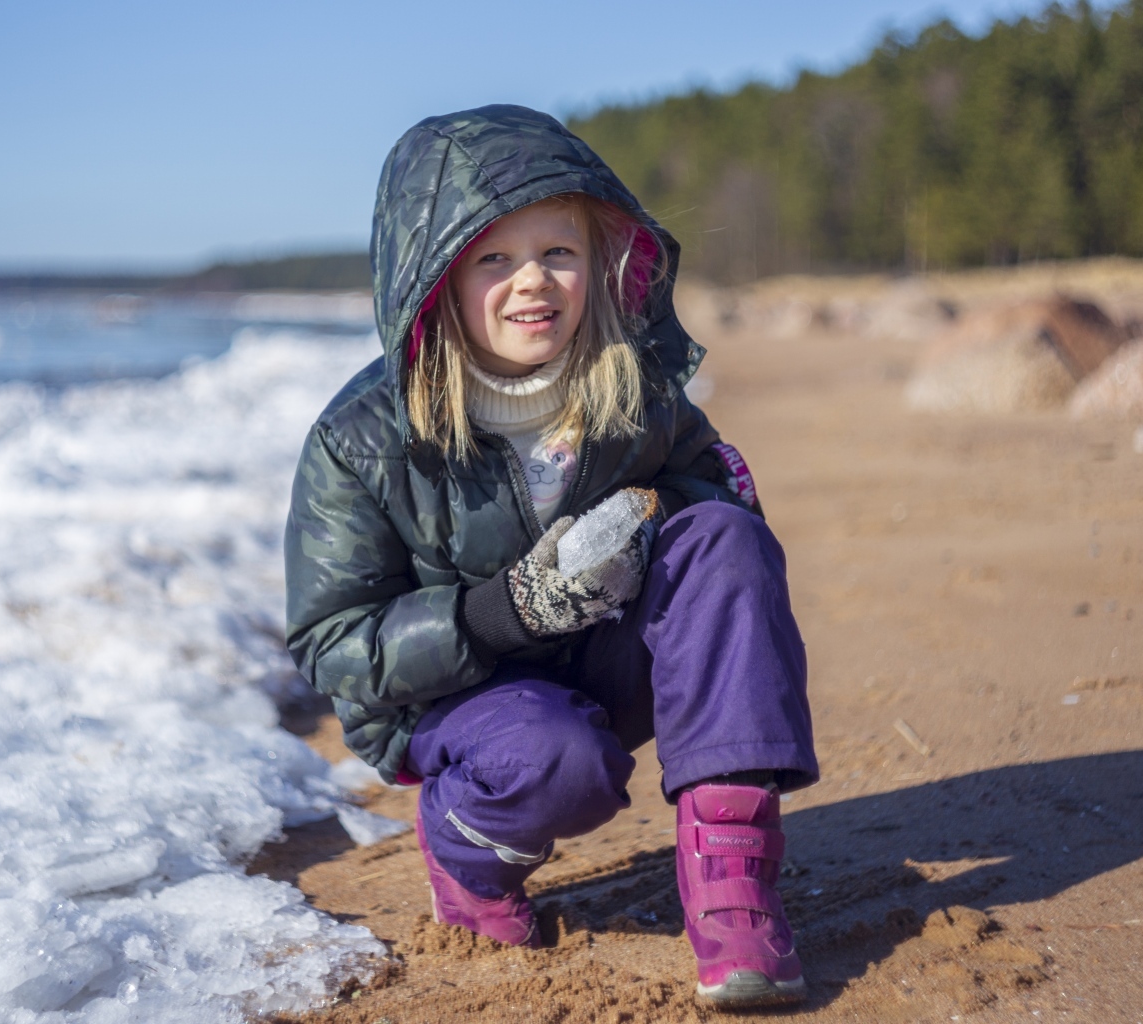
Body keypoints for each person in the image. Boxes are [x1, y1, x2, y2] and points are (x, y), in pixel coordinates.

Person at [284, 105, 818, 1009]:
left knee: (726, 542)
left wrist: (643, 519)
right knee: (557, 759)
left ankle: (732, 881)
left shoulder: (631, 382)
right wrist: (505, 610)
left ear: (600, 257)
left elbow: (718, 502)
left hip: (602, 650)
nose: (532, 282)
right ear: (435, 278)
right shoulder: (359, 441)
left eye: (557, 251)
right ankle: (466, 855)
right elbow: (332, 641)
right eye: (493, 257)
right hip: (457, 698)